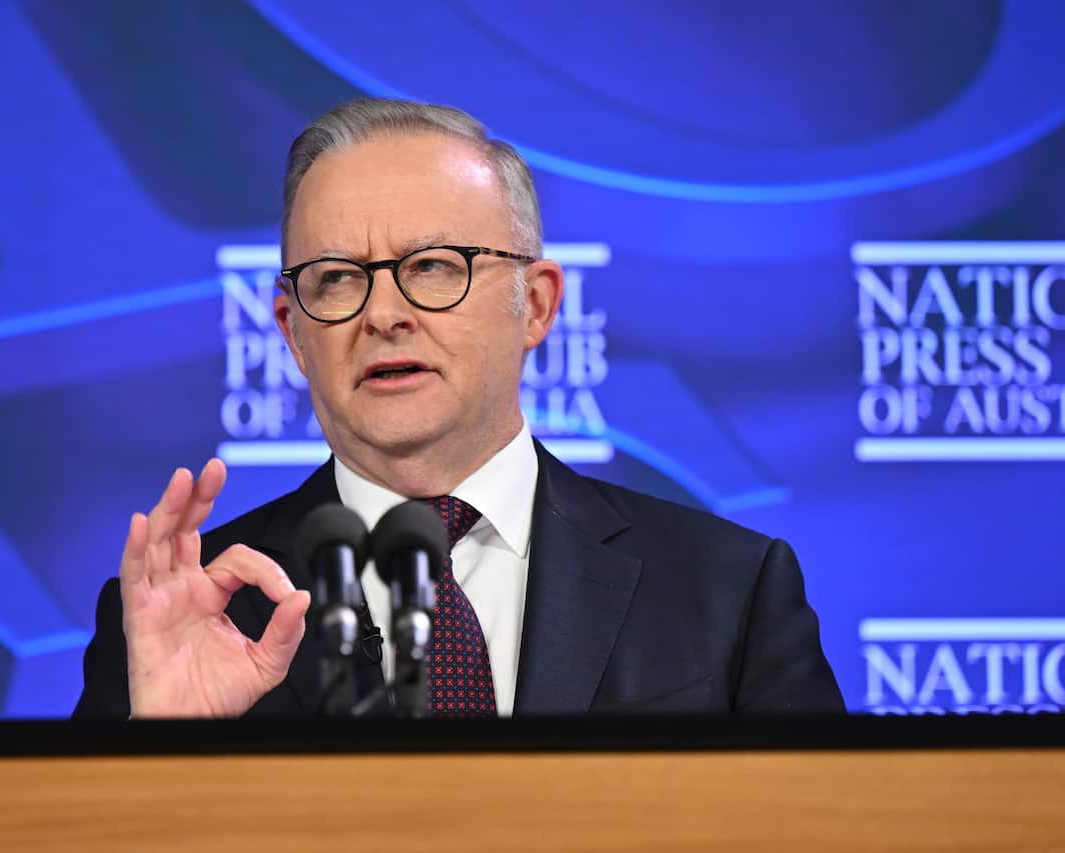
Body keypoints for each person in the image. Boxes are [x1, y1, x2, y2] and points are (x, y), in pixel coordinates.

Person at [74, 98, 844, 718]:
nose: (382, 314)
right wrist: (164, 757)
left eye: (433, 266)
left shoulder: (729, 590)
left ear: (536, 304)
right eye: (338, 278)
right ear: (293, 331)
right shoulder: (187, 618)